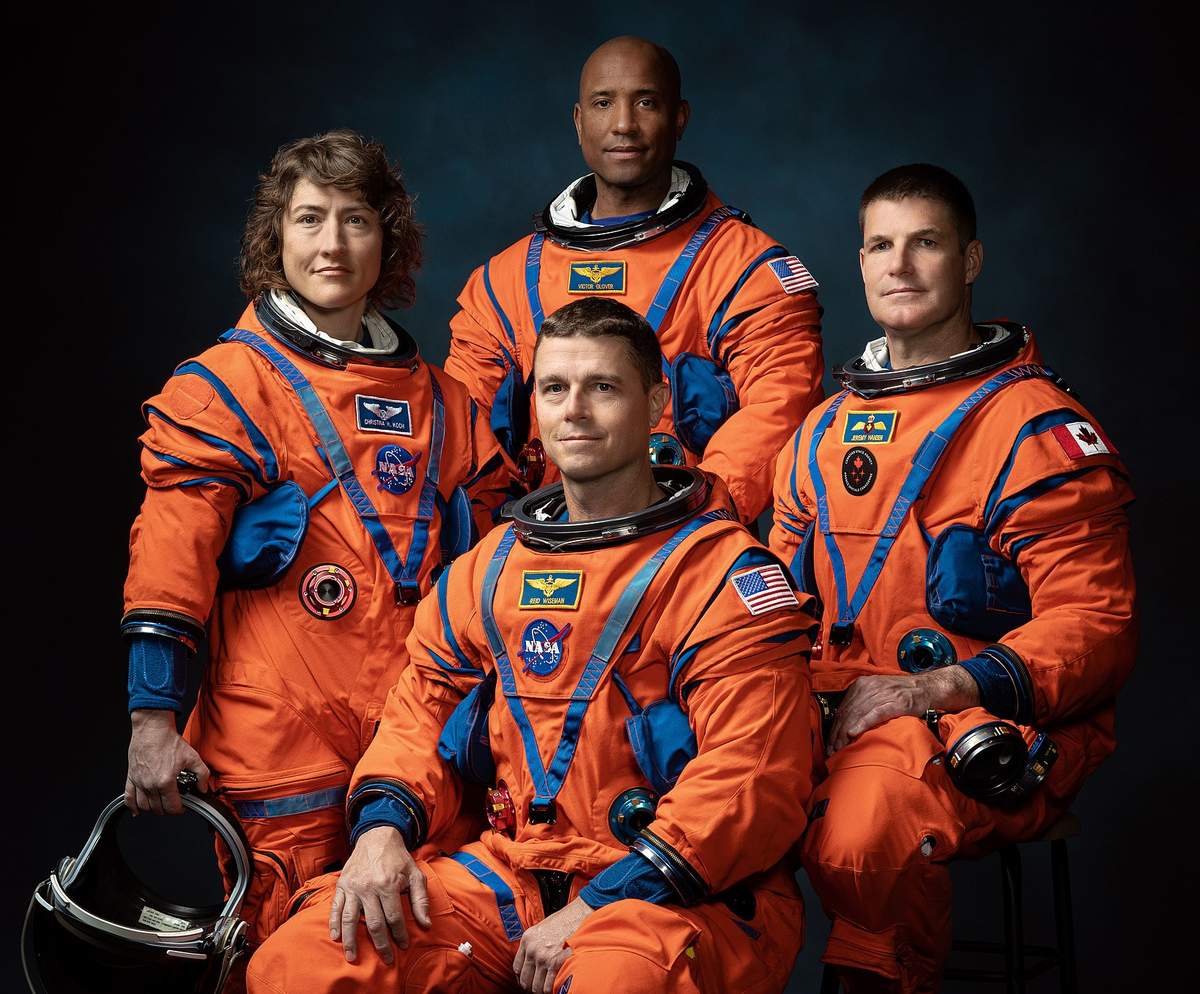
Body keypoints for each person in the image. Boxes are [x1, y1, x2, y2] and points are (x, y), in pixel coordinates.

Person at [247, 297, 818, 994]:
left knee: (616, 982)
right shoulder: (489, 571)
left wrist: (601, 901)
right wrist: (382, 830)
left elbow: (751, 778)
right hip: (509, 877)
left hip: (676, 891)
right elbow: (419, 717)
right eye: (554, 388)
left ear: (657, 401)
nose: (573, 409)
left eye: (602, 387)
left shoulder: (724, 573)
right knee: (301, 962)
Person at [121, 129, 512, 953]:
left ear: (388, 239)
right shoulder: (225, 387)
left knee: (414, 946)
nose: (331, 243)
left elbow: (499, 576)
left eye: (355, 220)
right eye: (308, 220)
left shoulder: (446, 405)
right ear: (277, 239)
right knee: (278, 953)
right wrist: (152, 721)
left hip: (417, 736)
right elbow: (168, 564)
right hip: (278, 739)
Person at [770, 163, 1136, 993]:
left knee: (864, 829)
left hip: (978, 719)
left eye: (924, 243)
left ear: (969, 261)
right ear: (860, 263)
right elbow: (774, 607)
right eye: (880, 245)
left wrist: (932, 690)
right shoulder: (821, 432)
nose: (899, 265)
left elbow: (1096, 628)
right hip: (834, 707)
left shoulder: (1035, 427)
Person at [445, 35, 824, 524]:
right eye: (604, 104)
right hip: (537, 552)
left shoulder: (743, 266)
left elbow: (780, 407)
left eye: (645, 102)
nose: (623, 125)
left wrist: (690, 523)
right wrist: (498, 539)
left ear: (679, 118)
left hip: (681, 550)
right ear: (580, 121)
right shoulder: (505, 281)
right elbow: (461, 428)